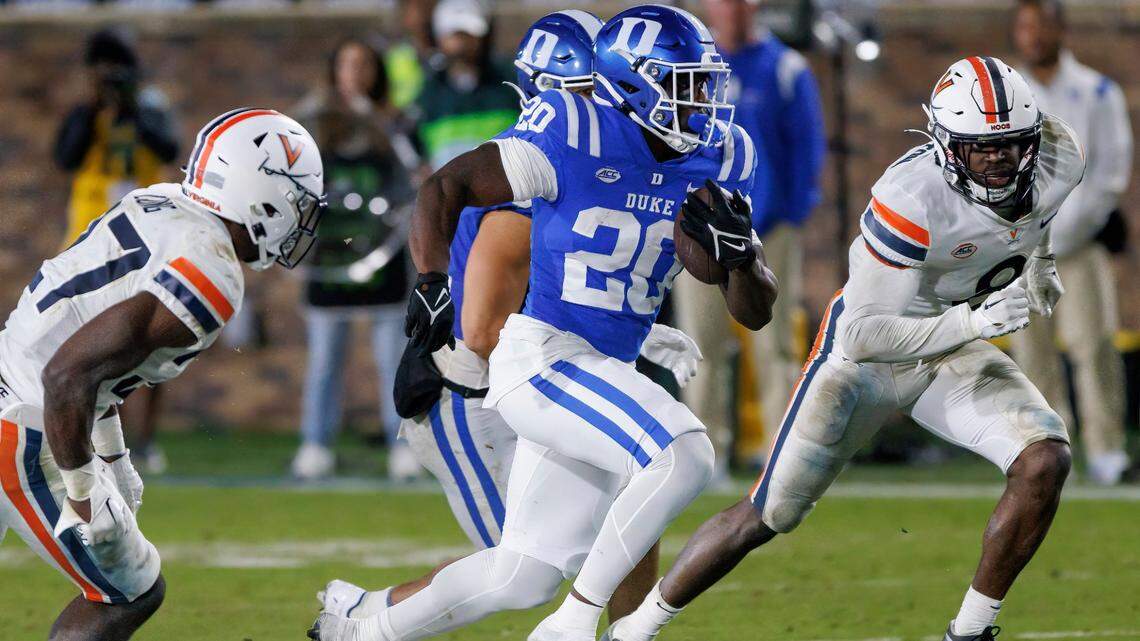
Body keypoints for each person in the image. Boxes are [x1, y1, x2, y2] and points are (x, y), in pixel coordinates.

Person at [309, 5, 778, 641]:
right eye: (685, 82)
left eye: (704, 81)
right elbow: (444, 188)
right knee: (683, 452)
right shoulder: (575, 130)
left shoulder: (721, 156)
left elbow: (753, 309)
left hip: (597, 369)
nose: (702, 99)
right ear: (634, 81)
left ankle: (360, 628)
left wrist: (742, 256)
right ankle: (580, 623)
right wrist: (428, 283)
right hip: (543, 358)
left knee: (522, 573)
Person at [607, 57, 1084, 641]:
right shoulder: (912, 198)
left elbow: (1035, 220)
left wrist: (1041, 262)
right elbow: (864, 336)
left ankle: (969, 631)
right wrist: (973, 319)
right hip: (862, 359)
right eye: (978, 147)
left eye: (1011, 145)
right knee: (765, 517)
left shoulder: (1060, 158)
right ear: (943, 143)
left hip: (951, 350)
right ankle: (636, 629)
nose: (998, 159)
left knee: (1044, 459)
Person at [0, 108, 324, 641]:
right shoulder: (211, 271)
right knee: (129, 592)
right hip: (30, 423)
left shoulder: (160, 202)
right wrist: (84, 491)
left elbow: (93, 357)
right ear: (263, 196)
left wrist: (115, 457)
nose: (301, 219)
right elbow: (68, 376)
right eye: (297, 202)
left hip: (19, 386)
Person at [675, 0, 824, 469]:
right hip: (699, 228)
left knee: (776, 344)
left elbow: (806, 149)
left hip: (770, 228)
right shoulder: (688, 67)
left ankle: (783, 452)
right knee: (699, 344)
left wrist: (788, 215)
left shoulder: (785, 67)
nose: (733, 9)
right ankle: (706, 454)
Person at [1009, 0, 1133, 485]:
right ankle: (1045, 450)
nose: (1034, 35)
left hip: (1079, 248)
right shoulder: (1008, 93)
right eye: (1025, 26)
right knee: (1031, 355)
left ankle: (1105, 450)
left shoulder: (1097, 91)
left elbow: (1109, 174)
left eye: (1043, 25)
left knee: (1095, 345)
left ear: (1061, 28)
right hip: (1019, 251)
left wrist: (1065, 232)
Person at [290, 38, 420, 481]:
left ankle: (400, 445)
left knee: (391, 359)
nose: (355, 74)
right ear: (334, 71)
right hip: (329, 260)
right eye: (347, 64)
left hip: (381, 258)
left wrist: (385, 125)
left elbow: (414, 179)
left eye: (364, 65)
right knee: (324, 360)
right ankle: (315, 443)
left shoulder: (395, 125)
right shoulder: (314, 123)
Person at [53, 29, 181, 475]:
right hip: (88, 240)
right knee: (89, 346)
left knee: (150, 339)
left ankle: (144, 441)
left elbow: (168, 147)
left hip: (143, 238)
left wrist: (129, 105)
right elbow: (65, 157)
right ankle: (98, 440)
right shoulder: (85, 112)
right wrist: (94, 109)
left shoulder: (150, 107)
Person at [415, 0, 519, 169]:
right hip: (448, 191)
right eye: (456, 34)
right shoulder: (428, 91)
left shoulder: (510, 82)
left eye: (469, 33)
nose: (462, 43)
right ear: (439, 37)